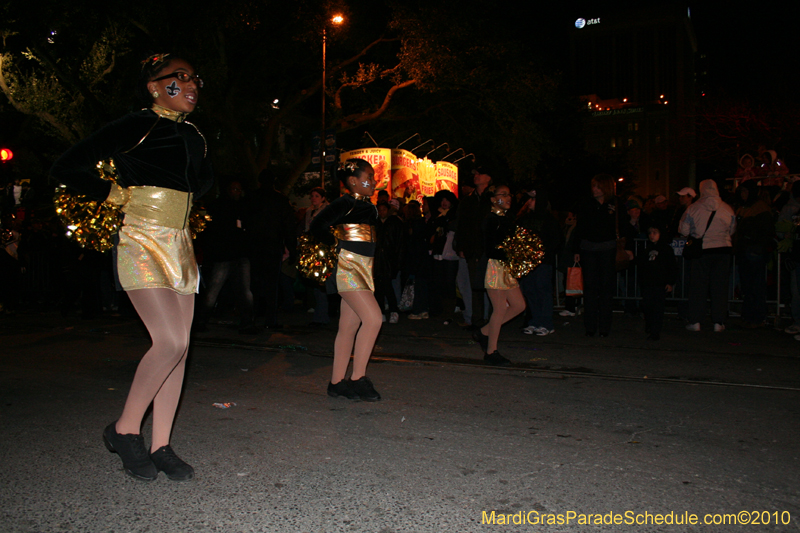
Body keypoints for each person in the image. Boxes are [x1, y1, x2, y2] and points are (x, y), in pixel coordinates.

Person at [50, 53, 213, 481]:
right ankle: (124, 429)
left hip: (180, 245)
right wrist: (115, 194)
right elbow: (65, 166)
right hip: (141, 240)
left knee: (181, 350)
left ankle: (161, 445)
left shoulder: (195, 134)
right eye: (180, 77)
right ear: (154, 86)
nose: (191, 84)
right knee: (169, 342)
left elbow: (204, 182)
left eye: (194, 77)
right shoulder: (134, 125)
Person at [310, 159, 382, 401]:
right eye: (369, 177)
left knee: (348, 327)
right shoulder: (344, 203)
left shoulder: (368, 207)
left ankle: (336, 382)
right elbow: (317, 225)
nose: (373, 181)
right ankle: (357, 378)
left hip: (364, 268)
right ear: (353, 181)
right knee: (373, 320)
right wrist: (336, 245)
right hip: (348, 268)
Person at [472, 184, 526, 366]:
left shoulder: (507, 218)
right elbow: (491, 248)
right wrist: (511, 252)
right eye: (503, 194)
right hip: (495, 267)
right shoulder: (491, 219)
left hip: (505, 267)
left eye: (509, 194)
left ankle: (484, 332)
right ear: (493, 199)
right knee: (500, 309)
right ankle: (491, 351)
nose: (508, 197)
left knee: (519, 305)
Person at [573, 174, 632, 337]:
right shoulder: (586, 203)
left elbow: (625, 226)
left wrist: (627, 247)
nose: (594, 190)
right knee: (590, 288)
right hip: (588, 248)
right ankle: (590, 326)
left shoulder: (616, 203)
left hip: (608, 248)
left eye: (598, 187)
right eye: (593, 186)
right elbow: (580, 227)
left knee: (606, 288)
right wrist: (577, 250)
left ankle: (605, 326)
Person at [195, 180, 256, 334]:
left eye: (239, 189)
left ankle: (247, 321)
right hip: (224, 255)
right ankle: (201, 320)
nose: (237, 192)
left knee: (243, 290)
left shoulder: (240, 206)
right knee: (215, 289)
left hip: (237, 254)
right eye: (234, 189)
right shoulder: (219, 207)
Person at [679, 179, 736, 332]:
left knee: (698, 286)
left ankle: (695, 321)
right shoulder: (727, 208)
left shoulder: (693, 208)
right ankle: (719, 321)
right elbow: (732, 229)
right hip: (723, 250)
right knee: (720, 287)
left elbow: (683, 230)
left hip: (702, 250)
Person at [517, 184, 563, 336]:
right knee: (530, 290)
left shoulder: (549, 219)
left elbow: (555, 240)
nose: (529, 202)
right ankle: (535, 321)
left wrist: (541, 252)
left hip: (543, 262)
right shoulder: (525, 219)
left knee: (542, 291)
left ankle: (546, 323)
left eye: (532, 199)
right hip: (528, 262)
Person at [637, 224, 677, 340]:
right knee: (647, 306)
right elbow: (643, 265)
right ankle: (650, 325)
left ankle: (655, 331)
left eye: (655, 233)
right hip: (648, 283)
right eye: (650, 233)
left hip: (660, 283)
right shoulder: (647, 249)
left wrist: (670, 282)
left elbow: (672, 267)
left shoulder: (666, 249)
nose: (652, 236)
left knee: (657, 308)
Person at [303, 187, 331, 326]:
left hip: (323, 249)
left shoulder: (327, 211)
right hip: (312, 249)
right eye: (312, 196)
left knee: (322, 283)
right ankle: (319, 315)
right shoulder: (309, 211)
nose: (313, 198)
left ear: (323, 198)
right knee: (315, 283)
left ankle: (322, 316)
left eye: (316, 196)